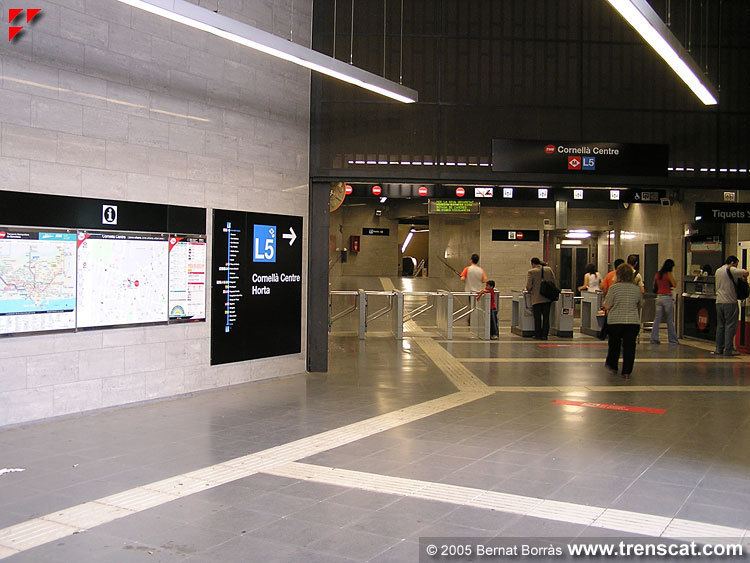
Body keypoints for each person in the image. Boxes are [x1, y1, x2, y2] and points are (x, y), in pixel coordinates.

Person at [603, 264, 643, 378]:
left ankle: (613, 366)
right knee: (630, 347)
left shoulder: (614, 288)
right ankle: (626, 371)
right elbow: (640, 304)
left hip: (615, 322)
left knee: (614, 345)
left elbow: (607, 305)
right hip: (632, 322)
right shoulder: (636, 289)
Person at [713, 255, 749, 357]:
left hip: (719, 302)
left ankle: (718, 348)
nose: (736, 266)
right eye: (736, 264)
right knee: (730, 326)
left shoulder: (718, 271)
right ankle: (728, 350)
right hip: (730, 302)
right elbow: (746, 272)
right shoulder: (731, 269)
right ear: (732, 262)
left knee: (720, 326)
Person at [526, 257, 556, 340]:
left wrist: (529, 289)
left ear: (532, 263)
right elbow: (553, 281)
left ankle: (538, 334)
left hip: (536, 298)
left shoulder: (531, 271)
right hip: (547, 297)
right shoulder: (549, 269)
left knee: (537, 317)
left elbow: (529, 286)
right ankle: (545, 335)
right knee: (546, 317)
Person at [651, 259, 679, 345]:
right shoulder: (668, 274)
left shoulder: (658, 274)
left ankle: (654, 338)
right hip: (667, 297)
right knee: (669, 320)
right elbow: (674, 284)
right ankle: (672, 339)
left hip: (659, 297)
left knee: (657, 319)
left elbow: (654, 286)